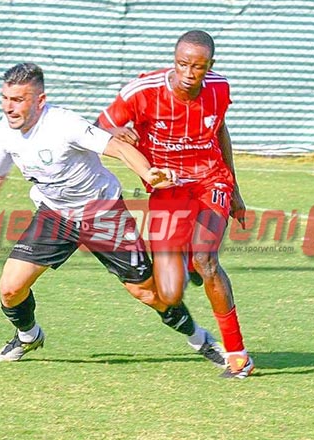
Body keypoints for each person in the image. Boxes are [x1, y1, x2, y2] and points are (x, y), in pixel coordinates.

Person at [0, 63, 226, 365]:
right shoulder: (5, 132)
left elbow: (119, 148)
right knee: (10, 289)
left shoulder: (64, 124)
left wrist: (149, 173)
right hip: (56, 215)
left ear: (40, 100)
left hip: (103, 213)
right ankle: (29, 336)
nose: (9, 107)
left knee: (148, 293)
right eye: (6, 98)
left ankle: (200, 339)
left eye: (18, 100)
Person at [96, 30, 254, 378]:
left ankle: (238, 354)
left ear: (209, 66)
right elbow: (100, 127)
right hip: (167, 189)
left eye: (197, 67)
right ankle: (190, 268)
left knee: (205, 257)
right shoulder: (142, 91)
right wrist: (121, 133)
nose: (188, 73)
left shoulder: (219, 88)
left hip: (211, 180)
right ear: (174, 60)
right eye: (182, 64)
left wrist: (236, 191)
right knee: (169, 290)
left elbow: (220, 131)